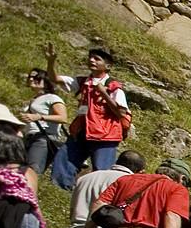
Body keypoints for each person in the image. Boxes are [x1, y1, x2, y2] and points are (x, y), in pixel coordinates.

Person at [47, 44, 131, 189]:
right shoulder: (83, 82)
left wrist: (103, 93)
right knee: (64, 160)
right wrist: (51, 62)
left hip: (105, 135)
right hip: (82, 131)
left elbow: (121, 113)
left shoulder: (113, 87)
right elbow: (55, 79)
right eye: (90, 58)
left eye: (97, 59)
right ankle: (59, 190)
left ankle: (98, 198)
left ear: (107, 65)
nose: (92, 60)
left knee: (102, 172)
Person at [18, 69, 68, 183]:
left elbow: (63, 118)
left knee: (32, 171)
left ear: (45, 81)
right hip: (29, 138)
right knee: (22, 170)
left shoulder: (52, 98)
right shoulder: (34, 100)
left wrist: (39, 117)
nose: (31, 79)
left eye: (36, 77)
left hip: (42, 139)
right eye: (30, 76)